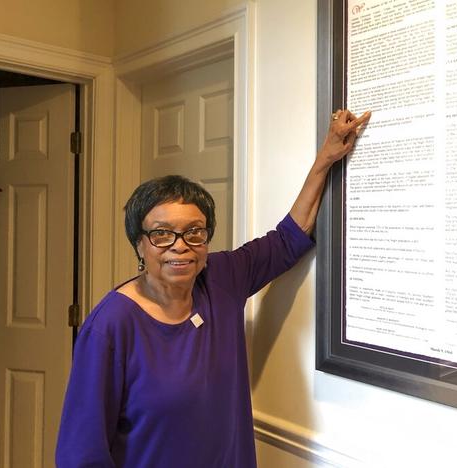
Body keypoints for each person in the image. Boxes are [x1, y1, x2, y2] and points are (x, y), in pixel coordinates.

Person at [55, 109, 371, 467]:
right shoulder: (111, 327)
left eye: (194, 231)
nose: (180, 245)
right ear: (139, 244)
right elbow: (80, 455)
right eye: (161, 233)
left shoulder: (222, 278)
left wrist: (326, 158)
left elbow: (288, 240)